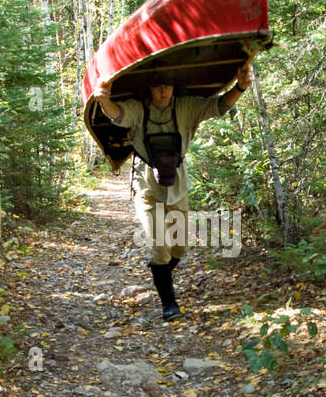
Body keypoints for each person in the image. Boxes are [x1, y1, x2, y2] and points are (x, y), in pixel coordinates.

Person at [94, 61, 254, 319]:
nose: (163, 90)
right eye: (158, 85)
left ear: (174, 86)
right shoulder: (138, 109)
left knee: (179, 248)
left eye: (167, 85)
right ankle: (169, 303)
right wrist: (104, 100)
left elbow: (220, 105)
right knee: (160, 247)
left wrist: (242, 87)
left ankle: (162, 274)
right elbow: (117, 114)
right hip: (147, 190)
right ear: (149, 87)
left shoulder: (186, 107)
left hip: (178, 188)